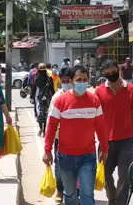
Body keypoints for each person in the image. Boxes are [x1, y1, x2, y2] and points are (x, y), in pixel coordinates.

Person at [43, 65, 108, 205]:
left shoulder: (95, 101)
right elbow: (51, 127)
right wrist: (47, 151)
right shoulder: (60, 101)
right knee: (70, 194)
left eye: (85, 79)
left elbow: (101, 128)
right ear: (72, 81)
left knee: (87, 194)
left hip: (88, 157)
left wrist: (105, 148)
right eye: (79, 79)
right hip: (66, 157)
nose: (82, 82)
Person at [94, 59, 133, 205]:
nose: (111, 75)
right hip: (106, 142)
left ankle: (120, 203)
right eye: (108, 74)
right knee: (105, 175)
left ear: (118, 69)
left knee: (125, 177)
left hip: (126, 142)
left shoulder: (130, 89)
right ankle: (112, 199)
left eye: (113, 72)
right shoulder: (99, 91)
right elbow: (95, 118)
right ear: (103, 74)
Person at [47, 67, 72, 204]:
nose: (66, 83)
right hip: (60, 138)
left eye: (69, 81)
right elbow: (51, 121)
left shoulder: (81, 96)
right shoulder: (57, 97)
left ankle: (75, 192)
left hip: (77, 139)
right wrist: (48, 146)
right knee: (60, 167)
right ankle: (60, 190)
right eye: (64, 81)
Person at [30, 63, 55, 136]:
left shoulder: (48, 78)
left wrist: (54, 97)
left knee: (44, 113)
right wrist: (31, 96)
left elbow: (52, 89)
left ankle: (43, 130)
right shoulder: (36, 78)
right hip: (39, 99)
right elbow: (34, 89)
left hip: (46, 99)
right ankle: (42, 129)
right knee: (40, 114)